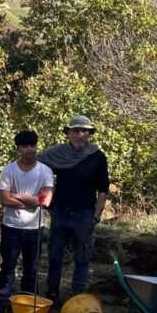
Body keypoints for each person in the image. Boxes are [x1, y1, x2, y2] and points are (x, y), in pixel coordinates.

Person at [37, 115, 110, 301]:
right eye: (75, 131)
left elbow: (103, 188)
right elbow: (34, 165)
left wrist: (96, 215)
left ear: (89, 133)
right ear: (68, 133)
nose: (80, 135)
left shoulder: (97, 157)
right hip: (60, 211)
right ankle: (52, 290)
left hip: (85, 213)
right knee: (55, 253)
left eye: (84, 131)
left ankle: (78, 293)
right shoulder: (58, 153)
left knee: (83, 255)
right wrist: (43, 199)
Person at [0, 130, 54, 313]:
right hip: (11, 226)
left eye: (32, 145)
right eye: (25, 146)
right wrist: (32, 200)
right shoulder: (9, 170)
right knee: (8, 266)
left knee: (31, 268)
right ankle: (1, 302)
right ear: (18, 148)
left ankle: (28, 303)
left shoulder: (45, 171)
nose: (29, 150)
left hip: (35, 227)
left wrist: (16, 195)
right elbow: (4, 200)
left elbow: (46, 201)